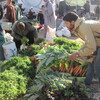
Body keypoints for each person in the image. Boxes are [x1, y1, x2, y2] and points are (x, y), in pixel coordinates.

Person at [63, 12, 100, 86]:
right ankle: (87, 83)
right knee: (91, 62)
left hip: (97, 44)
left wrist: (77, 54)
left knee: (97, 65)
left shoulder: (83, 27)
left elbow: (91, 47)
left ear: (72, 22)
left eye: (66, 23)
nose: (65, 25)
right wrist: (80, 52)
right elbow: (88, 43)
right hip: (98, 43)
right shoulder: (79, 26)